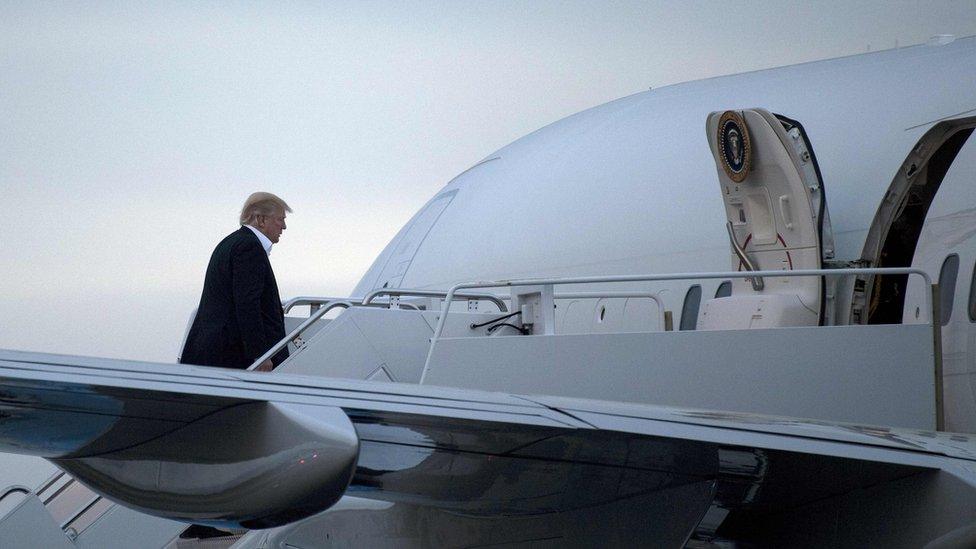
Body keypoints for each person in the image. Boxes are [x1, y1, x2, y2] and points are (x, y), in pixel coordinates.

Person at [180, 192, 292, 371]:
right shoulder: (249, 248)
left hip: (211, 352)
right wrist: (260, 354)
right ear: (261, 220)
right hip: (230, 357)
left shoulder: (230, 243)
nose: (284, 226)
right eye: (280, 219)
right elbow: (247, 303)